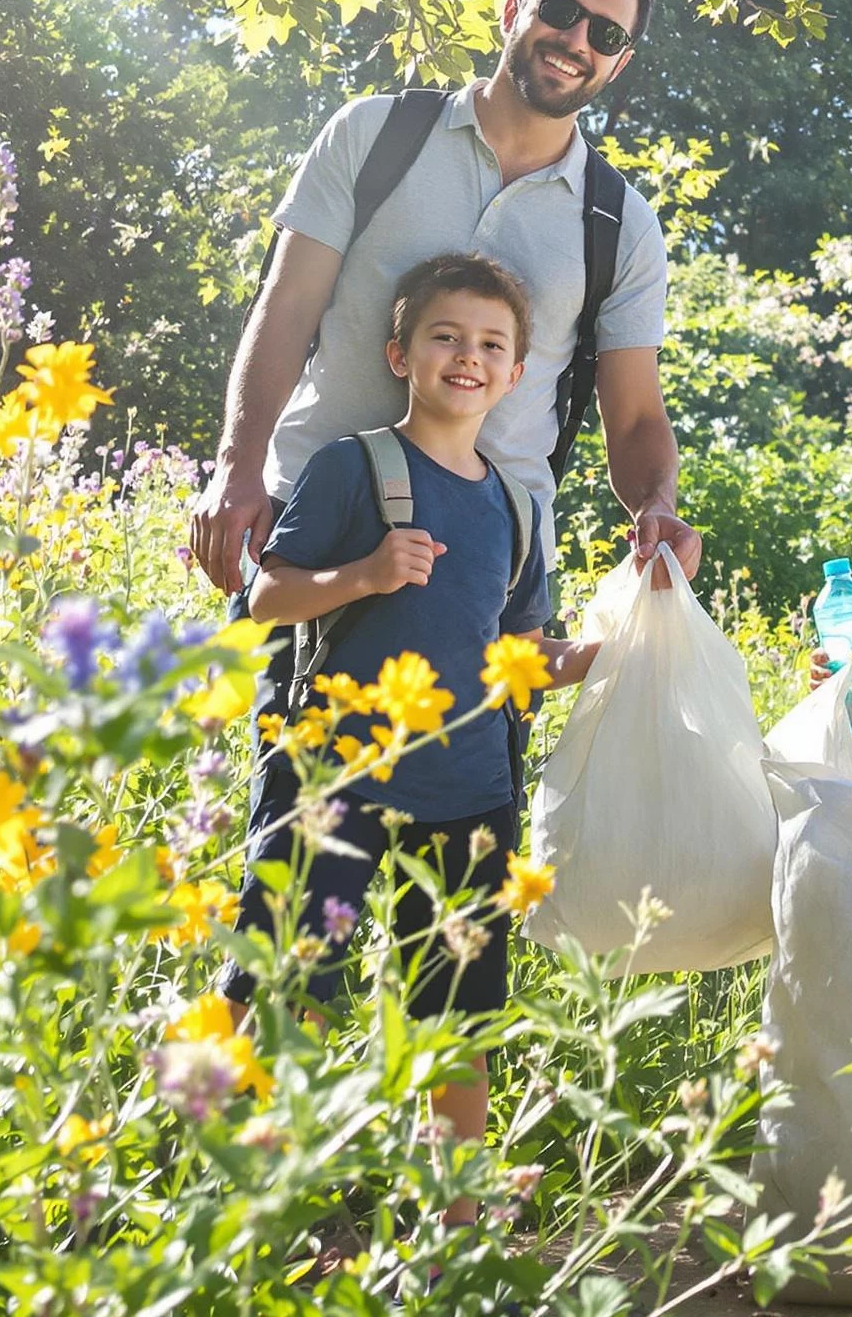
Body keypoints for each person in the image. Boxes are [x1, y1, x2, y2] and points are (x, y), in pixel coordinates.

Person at [222, 252, 600, 1200]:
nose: (468, 357)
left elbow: (522, 654)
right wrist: (364, 575)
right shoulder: (351, 467)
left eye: (492, 345)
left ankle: (451, 1228)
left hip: (470, 789)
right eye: (446, 337)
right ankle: (249, 1201)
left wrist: (604, 656)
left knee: (458, 1016)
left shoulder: (515, 505)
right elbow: (266, 600)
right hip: (333, 780)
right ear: (400, 354)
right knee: (291, 985)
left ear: (516, 375)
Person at [188, 0, 701, 607]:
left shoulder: (621, 226)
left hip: (494, 559)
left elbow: (634, 418)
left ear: (619, 63)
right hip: (311, 525)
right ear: (513, 9)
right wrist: (237, 466)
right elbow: (286, 309)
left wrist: (656, 507)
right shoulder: (372, 134)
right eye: (560, 10)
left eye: (606, 35)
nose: (577, 41)